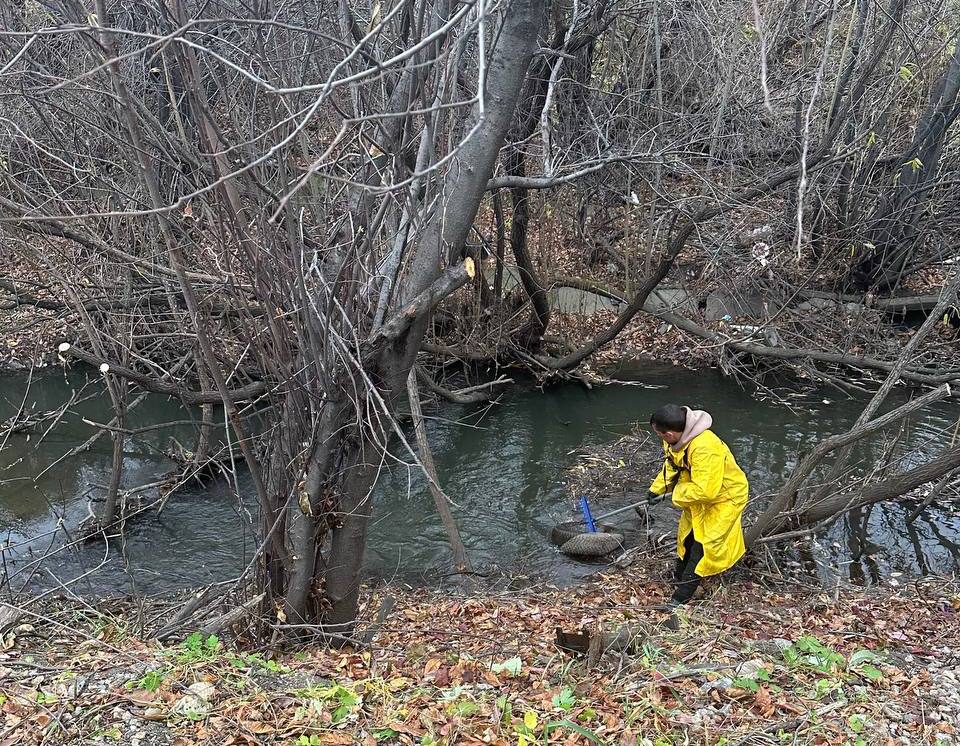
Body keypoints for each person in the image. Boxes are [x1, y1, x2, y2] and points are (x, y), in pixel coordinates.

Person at [647, 404, 749, 607]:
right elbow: (673, 466)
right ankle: (679, 576)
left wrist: (675, 494)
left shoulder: (705, 448)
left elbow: (707, 492)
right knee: (687, 536)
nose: (660, 438)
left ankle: (681, 596)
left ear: (669, 434)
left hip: (724, 498)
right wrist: (658, 489)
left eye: (660, 434)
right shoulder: (675, 440)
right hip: (698, 493)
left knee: (704, 545)